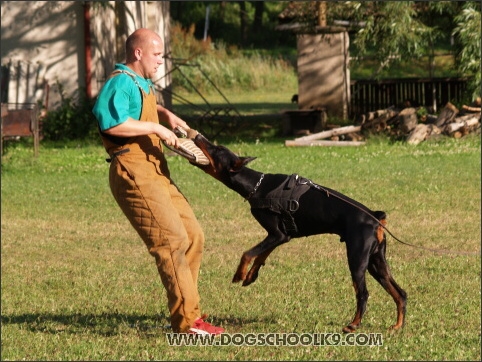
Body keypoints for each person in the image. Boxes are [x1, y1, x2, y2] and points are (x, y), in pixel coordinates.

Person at [92, 28, 224, 335]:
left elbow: (137, 109)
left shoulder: (140, 83)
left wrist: (165, 114)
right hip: (133, 169)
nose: (161, 61)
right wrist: (158, 128)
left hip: (156, 169)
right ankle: (188, 323)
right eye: (157, 54)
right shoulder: (120, 81)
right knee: (172, 241)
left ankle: (186, 314)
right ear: (138, 54)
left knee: (193, 235)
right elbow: (109, 120)